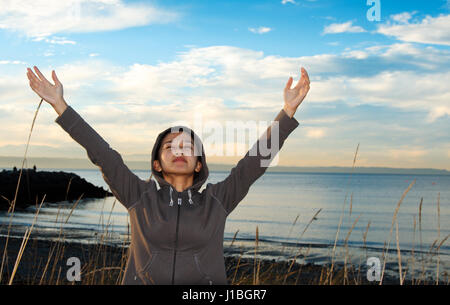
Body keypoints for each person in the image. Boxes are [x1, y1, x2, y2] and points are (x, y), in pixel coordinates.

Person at [26, 65, 310, 285]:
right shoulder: (138, 196)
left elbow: (253, 164)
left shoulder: (218, 200)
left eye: (187, 146)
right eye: (169, 146)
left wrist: (287, 112)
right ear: (157, 163)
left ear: (198, 164)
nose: (178, 150)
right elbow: (102, 153)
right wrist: (60, 106)